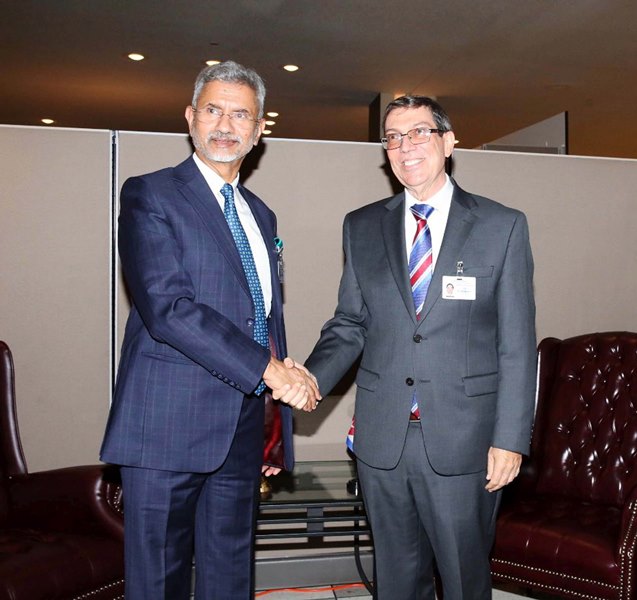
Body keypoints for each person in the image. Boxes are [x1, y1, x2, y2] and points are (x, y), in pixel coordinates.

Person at [100, 60, 319, 600]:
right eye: (213, 110)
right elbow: (168, 309)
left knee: (230, 577)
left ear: (259, 129)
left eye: (241, 114)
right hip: (165, 427)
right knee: (159, 583)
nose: (225, 125)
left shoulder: (260, 214)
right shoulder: (150, 194)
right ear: (190, 117)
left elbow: (261, 317)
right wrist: (270, 370)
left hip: (241, 429)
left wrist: (275, 410)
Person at [303, 96, 536, 599]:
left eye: (419, 133)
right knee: (397, 581)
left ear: (448, 142)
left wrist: (511, 439)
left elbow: (516, 344)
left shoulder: (502, 225)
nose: (405, 146)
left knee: (463, 578)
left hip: (465, 440)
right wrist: (310, 379)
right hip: (383, 438)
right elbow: (350, 323)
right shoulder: (361, 225)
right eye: (393, 137)